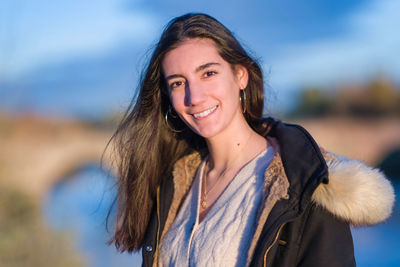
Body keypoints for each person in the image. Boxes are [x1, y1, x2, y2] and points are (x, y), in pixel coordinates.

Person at [109, 13, 395, 267]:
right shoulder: (171, 182)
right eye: (178, 83)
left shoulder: (305, 187)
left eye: (208, 73)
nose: (194, 97)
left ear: (241, 75)